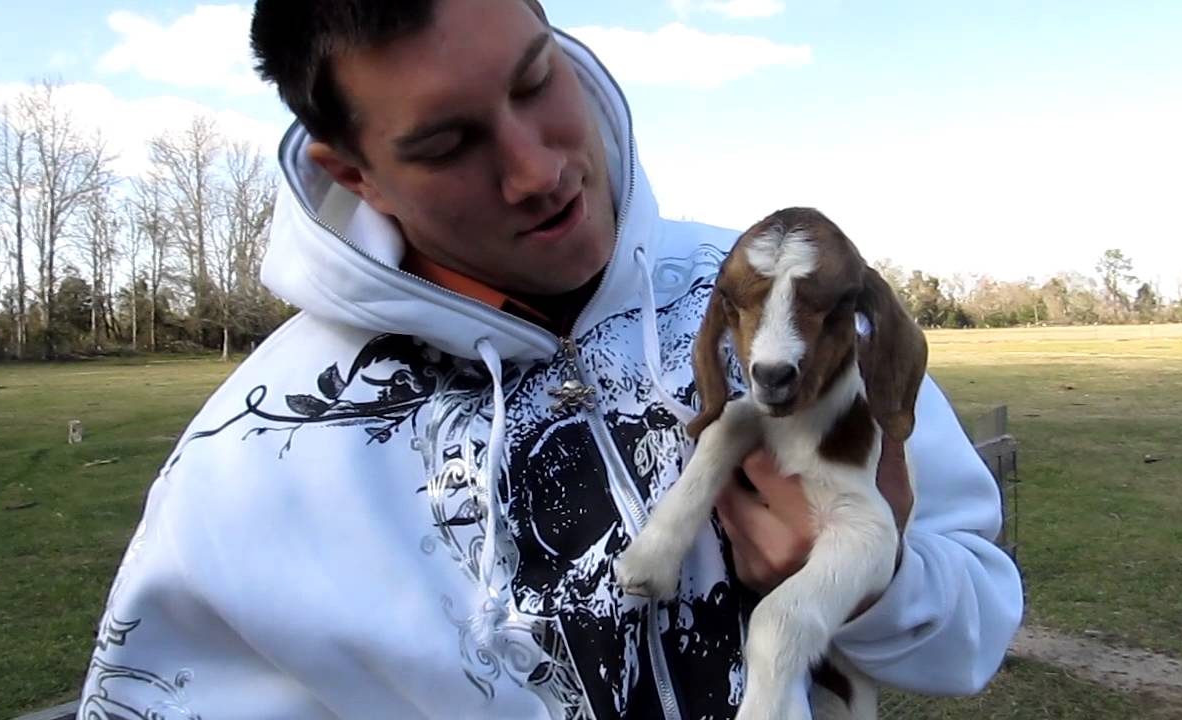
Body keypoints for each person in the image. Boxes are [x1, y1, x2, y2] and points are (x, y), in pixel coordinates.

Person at [75, 1, 1024, 718]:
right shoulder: (252, 461)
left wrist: (874, 581)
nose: (539, 170)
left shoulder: (775, 301)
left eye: (536, 81)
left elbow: (972, 631)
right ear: (352, 173)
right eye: (450, 143)